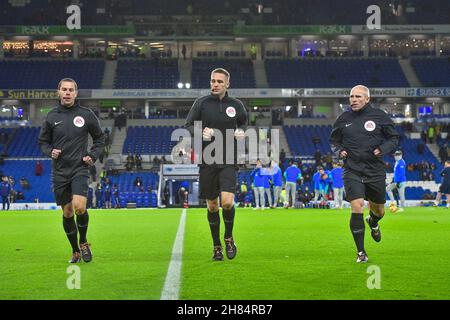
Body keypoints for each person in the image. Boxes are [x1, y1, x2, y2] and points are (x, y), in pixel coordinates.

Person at [38, 78, 105, 264]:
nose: (67, 93)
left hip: (80, 168)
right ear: (58, 92)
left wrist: (92, 155)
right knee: (67, 213)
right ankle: (75, 250)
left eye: (71, 90)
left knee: (79, 207)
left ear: (76, 93)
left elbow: (100, 139)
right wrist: (50, 151)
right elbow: (43, 142)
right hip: (59, 171)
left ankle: (83, 242)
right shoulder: (51, 116)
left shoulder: (86, 114)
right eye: (64, 89)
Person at [329, 85, 399, 263]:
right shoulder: (343, 118)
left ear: (367, 99)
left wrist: (382, 149)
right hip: (352, 169)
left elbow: (394, 138)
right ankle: (361, 252)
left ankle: (374, 222)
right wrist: (339, 151)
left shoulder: (379, 116)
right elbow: (334, 141)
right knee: (357, 205)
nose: (353, 99)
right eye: (351, 96)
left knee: (379, 211)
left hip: (375, 170)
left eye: (358, 96)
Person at [184, 67, 247, 261]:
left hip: (228, 159)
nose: (215, 84)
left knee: (227, 203)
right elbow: (188, 125)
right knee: (212, 207)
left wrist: (241, 131)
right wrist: (200, 131)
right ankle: (216, 246)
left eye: (219, 81)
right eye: (213, 81)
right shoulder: (201, 103)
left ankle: (228, 237)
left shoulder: (236, 105)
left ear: (227, 84)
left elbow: (244, 123)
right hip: (207, 160)